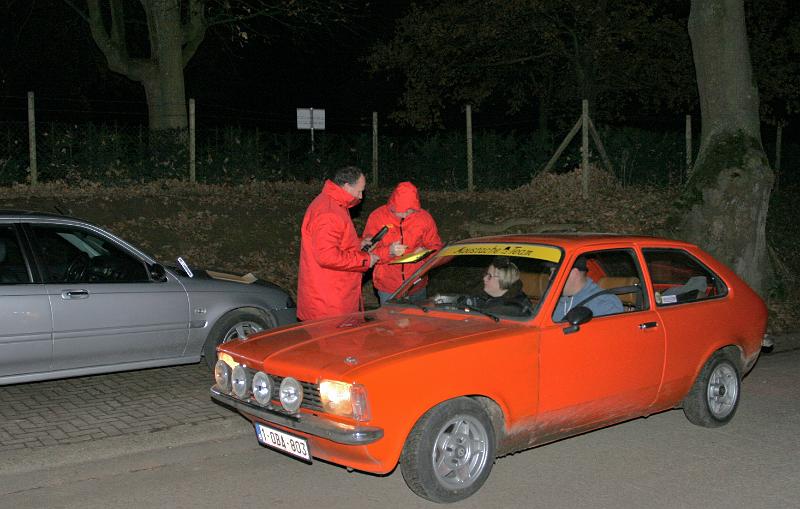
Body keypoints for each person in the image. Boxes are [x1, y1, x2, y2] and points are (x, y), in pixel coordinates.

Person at [296, 166, 379, 321]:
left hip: (332, 293)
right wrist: (365, 260)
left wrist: (358, 244)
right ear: (347, 186)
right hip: (329, 301)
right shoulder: (329, 212)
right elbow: (327, 256)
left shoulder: (334, 203)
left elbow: (336, 241)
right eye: (359, 191)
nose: (361, 197)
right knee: (336, 344)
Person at [363, 181, 443, 304]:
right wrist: (389, 251)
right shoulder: (377, 217)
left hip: (417, 284)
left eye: (410, 210)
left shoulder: (424, 218)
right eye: (402, 211)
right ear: (392, 206)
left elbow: (437, 247)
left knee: (417, 322)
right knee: (391, 322)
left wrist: (426, 253)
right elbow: (367, 251)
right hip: (388, 287)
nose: (405, 214)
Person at [552, 256, 623, 322]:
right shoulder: (552, 300)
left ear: (574, 273)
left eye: (554, 273)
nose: (550, 278)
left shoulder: (605, 303)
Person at [460, 257, 530, 315]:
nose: (484, 278)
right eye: (486, 274)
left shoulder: (512, 309)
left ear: (503, 279)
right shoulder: (481, 296)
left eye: (489, 276)